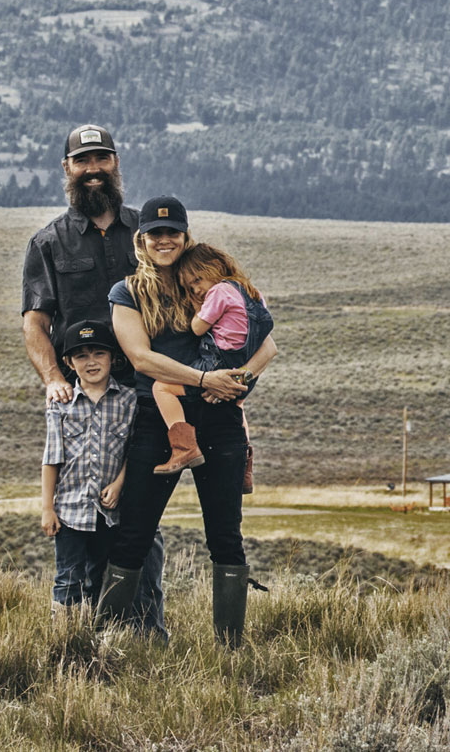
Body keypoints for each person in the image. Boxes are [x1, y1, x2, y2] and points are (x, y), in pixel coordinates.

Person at [98, 196, 277, 646]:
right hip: (159, 419)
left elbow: (268, 347)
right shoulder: (128, 293)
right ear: (141, 239)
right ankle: (106, 646)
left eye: (172, 232)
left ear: (185, 235)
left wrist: (237, 383)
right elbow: (141, 358)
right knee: (134, 531)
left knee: (225, 535)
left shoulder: (211, 285)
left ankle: (230, 650)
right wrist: (204, 378)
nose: (164, 240)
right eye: (155, 233)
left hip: (219, 418)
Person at [20, 123, 168, 636]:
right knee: (80, 524)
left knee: (140, 520)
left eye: (101, 158)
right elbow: (36, 323)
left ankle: (143, 635)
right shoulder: (48, 243)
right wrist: (54, 379)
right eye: (82, 162)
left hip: (146, 399)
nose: (92, 170)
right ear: (67, 170)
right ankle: (79, 640)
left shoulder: (147, 237)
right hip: (84, 399)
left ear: (116, 163)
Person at [150, 243, 274, 475]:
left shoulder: (218, 292)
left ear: (215, 268)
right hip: (245, 370)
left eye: (197, 280)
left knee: (162, 387)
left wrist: (197, 307)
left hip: (218, 363)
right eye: (189, 288)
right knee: (238, 405)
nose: (195, 290)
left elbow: (197, 328)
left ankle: (183, 447)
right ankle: (245, 465)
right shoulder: (251, 292)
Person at [40, 320, 134, 613]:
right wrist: (47, 508)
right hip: (70, 510)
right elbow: (52, 457)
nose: (91, 362)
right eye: (81, 356)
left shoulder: (128, 401)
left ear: (113, 358)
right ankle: (65, 642)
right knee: (68, 578)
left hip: (110, 513)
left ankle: (96, 639)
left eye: (98, 354)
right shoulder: (60, 403)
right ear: (68, 361)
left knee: (100, 578)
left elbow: (134, 449)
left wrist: (120, 484)